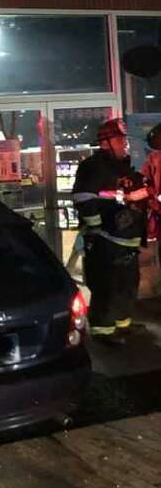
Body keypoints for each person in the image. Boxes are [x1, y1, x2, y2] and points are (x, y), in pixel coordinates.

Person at [72, 118, 149, 343]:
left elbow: (131, 192)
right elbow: (83, 197)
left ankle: (122, 323)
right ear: (105, 142)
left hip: (127, 238)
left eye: (125, 139)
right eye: (119, 139)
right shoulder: (94, 166)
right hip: (106, 240)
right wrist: (96, 225)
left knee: (127, 284)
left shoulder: (123, 165)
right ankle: (103, 330)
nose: (124, 144)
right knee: (108, 286)